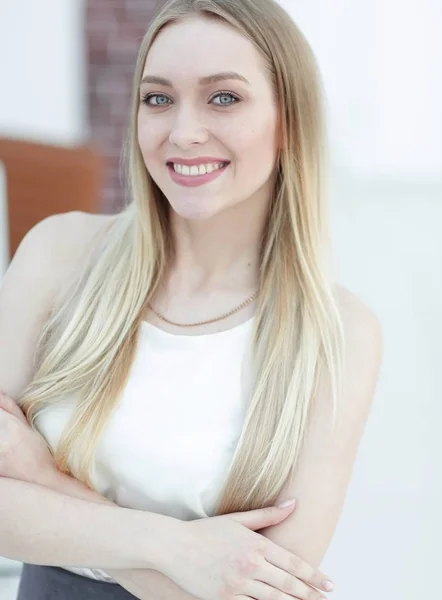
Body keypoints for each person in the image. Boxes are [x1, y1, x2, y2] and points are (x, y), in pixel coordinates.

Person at [0, 0, 383, 598]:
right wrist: (174, 548)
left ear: (289, 120)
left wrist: (37, 478)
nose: (183, 132)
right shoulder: (60, 252)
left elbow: (266, 590)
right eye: (158, 99)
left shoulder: (339, 331)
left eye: (223, 97)